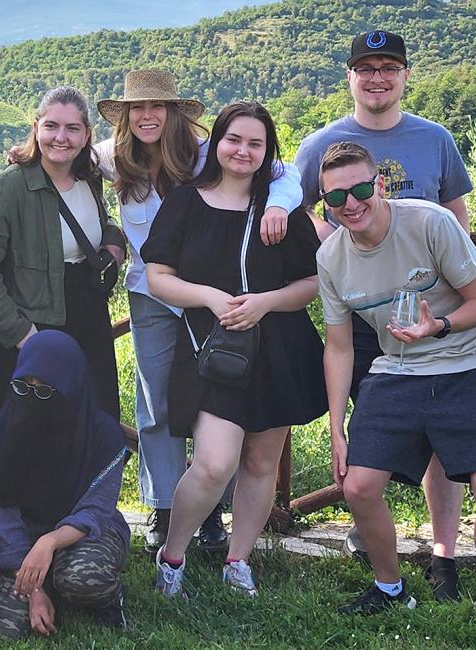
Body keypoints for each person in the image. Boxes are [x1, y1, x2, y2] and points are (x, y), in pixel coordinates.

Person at [292, 29, 474, 600]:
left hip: (433, 316)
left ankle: (443, 555)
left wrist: (449, 303)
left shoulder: (435, 138)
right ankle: (372, 539)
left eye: (388, 68)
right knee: (369, 428)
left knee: (443, 441)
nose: (377, 78)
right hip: (363, 316)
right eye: (366, 68)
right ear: (348, 77)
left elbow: (457, 220)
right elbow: (301, 217)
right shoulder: (319, 144)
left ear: (405, 75)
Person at [95, 69, 304, 554]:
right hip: (152, 295)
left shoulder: (208, 151)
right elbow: (62, 152)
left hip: (213, 296)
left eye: (157, 107)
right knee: (156, 404)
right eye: (137, 108)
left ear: (173, 113)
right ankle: (164, 509)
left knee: (215, 396)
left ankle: (209, 509)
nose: (147, 116)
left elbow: (284, 172)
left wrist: (279, 207)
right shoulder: (115, 157)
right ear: (125, 116)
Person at [315, 141, 476, 632]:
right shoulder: (331, 257)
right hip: (398, 368)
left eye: (361, 189)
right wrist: (337, 428)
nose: (351, 204)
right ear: (326, 204)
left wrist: (438, 327)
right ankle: (390, 588)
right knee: (357, 486)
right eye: (336, 198)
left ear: (380, 185)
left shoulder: (430, 222)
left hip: (471, 360)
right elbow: (339, 348)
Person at [143, 102, 327, 599]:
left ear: (269, 153)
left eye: (256, 144)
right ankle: (173, 554)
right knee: (213, 463)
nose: (243, 151)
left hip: (278, 346)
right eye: (234, 140)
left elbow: (312, 282)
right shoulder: (186, 201)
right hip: (212, 346)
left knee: (262, 462)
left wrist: (265, 302)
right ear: (216, 143)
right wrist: (207, 296)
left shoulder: (281, 209)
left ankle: (238, 559)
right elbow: (158, 277)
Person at [0, 86, 126, 420]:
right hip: (35, 324)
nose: (61, 137)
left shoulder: (90, 176)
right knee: (35, 433)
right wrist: (22, 335)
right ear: (36, 128)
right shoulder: (10, 188)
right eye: (52, 126)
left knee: (92, 423)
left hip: (91, 319)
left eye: (72, 129)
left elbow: (101, 221)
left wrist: (114, 244)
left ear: (86, 135)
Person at [0, 330, 131, 640]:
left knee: (82, 578)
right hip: (19, 542)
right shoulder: (3, 433)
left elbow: (94, 511)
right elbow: (0, 515)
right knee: (4, 630)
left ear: (71, 387)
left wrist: (48, 543)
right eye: (24, 386)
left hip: (82, 535)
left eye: (46, 390)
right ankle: (48, 589)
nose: (32, 397)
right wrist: (33, 588)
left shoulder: (102, 435)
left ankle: (105, 598)